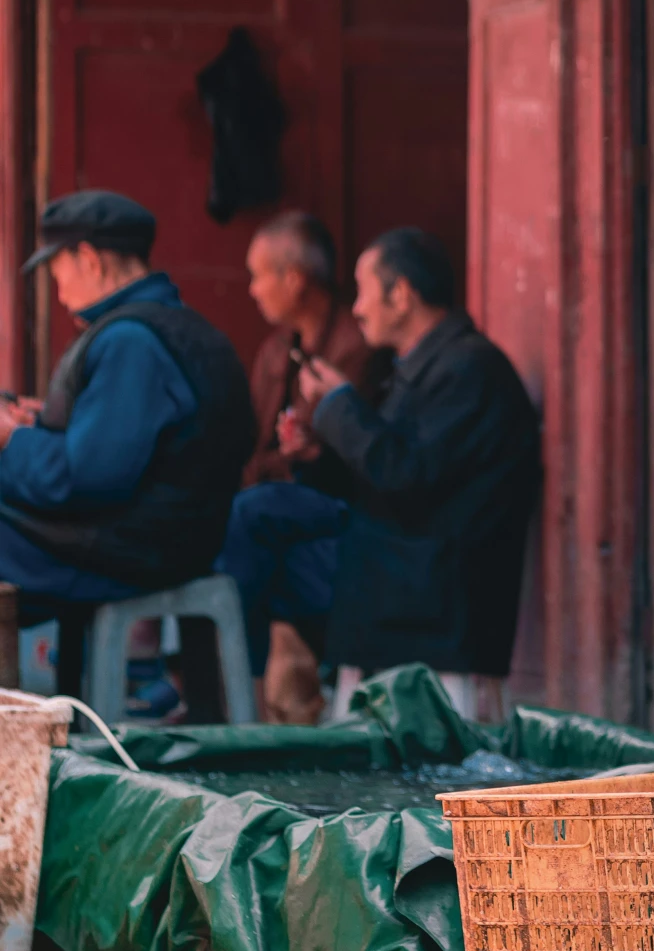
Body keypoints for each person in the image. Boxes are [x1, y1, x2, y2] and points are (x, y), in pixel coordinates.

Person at [219, 227, 540, 692]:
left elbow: (405, 476)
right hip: (398, 560)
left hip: (436, 582)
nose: (357, 308)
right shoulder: (428, 365)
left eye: (365, 292)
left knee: (264, 525)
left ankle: (234, 692)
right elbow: (386, 472)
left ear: (402, 295)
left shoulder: (470, 369)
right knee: (259, 518)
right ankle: (244, 685)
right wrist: (319, 451)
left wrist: (337, 404)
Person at [0, 190, 255, 614]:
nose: (59, 291)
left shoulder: (132, 341)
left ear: (89, 259)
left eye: (57, 271)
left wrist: (12, 439)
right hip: (155, 542)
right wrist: (43, 422)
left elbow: (85, 481)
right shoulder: (176, 326)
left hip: (126, 553)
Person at [242, 209, 387, 720]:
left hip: (338, 512)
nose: (253, 290)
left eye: (259, 275)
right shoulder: (274, 349)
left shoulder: (358, 347)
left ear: (294, 278)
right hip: (279, 503)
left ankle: (242, 682)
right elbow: (252, 445)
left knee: (251, 521)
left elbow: (368, 457)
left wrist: (310, 448)